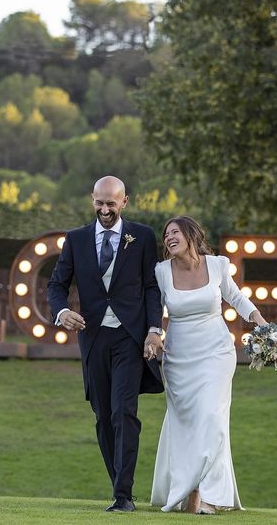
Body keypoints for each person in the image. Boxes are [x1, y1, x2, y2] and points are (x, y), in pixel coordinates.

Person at [47, 176, 164, 512]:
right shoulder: (76, 239)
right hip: (94, 337)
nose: (105, 209)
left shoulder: (141, 237)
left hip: (129, 338)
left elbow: (151, 288)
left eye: (111, 203)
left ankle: (123, 495)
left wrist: (154, 329)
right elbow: (56, 285)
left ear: (125, 202)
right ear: (92, 199)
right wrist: (63, 311)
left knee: (124, 412)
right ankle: (118, 486)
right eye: (100, 202)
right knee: (102, 415)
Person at [146, 216, 267, 514]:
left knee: (211, 417)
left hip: (216, 352)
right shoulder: (161, 272)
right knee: (187, 425)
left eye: (175, 232)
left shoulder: (217, 265)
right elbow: (152, 310)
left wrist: (261, 323)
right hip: (178, 358)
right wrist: (153, 335)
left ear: (191, 235)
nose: (169, 237)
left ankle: (212, 497)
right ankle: (189, 490)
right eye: (166, 234)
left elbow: (236, 298)